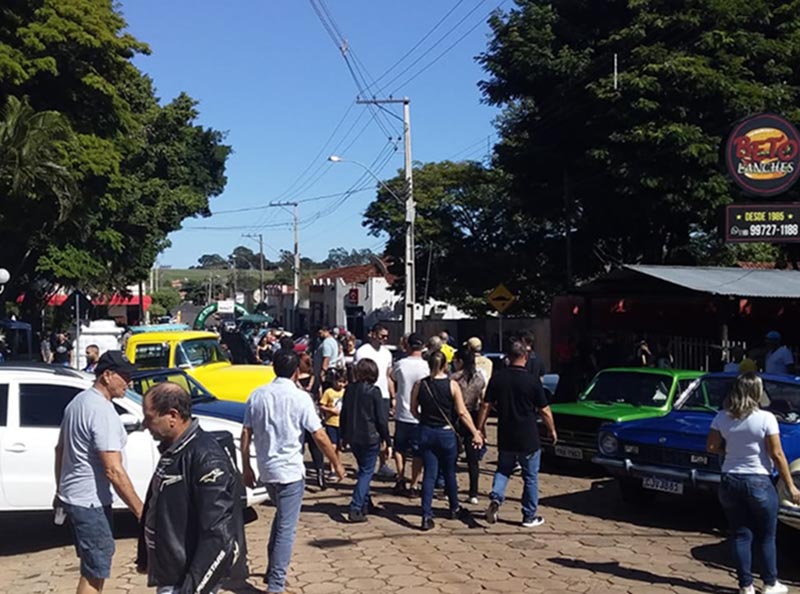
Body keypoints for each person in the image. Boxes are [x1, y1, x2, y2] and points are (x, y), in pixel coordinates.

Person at [241, 349, 344, 594]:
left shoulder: (257, 395)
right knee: (287, 528)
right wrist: (336, 462)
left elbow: (246, 433)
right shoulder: (300, 398)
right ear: (297, 371)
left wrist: (246, 466)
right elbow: (318, 434)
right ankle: (276, 584)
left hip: (267, 471)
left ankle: (271, 570)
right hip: (290, 473)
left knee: (282, 520)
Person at [137, 382, 245, 594]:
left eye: (150, 417)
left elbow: (219, 536)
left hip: (185, 580)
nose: (144, 424)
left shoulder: (206, 458)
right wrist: (146, 556)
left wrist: (193, 588)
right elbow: (159, 507)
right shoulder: (174, 451)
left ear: (173, 416)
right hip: (170, 573)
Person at [54, 351, 144, 594]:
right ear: (107, 375)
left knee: (91, 567)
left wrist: (59, 490)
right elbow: (113, 469)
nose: (129, 382)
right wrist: (140, 511)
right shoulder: (102, 411)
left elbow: (60, 450)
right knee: (96, 571)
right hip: (90, 502)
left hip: (75, 499)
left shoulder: (78, 403)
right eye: (125, 376)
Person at [706, 373, 800, 594]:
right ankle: (770, 583)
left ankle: (745, 586)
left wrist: (727, 450)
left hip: (730, 479)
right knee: (767, 536)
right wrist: (791, 485)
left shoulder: (721, 417)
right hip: (758, 480)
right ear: (757, 392)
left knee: (740, 534)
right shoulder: (766, 418)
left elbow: (710, 447)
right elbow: (777, 454)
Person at [477, 339, 557, 528]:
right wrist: (552, 429)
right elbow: (544, 409)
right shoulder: (531, 380)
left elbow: (485, 405)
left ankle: (496, 497)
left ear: (508, 357)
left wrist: (480, 428)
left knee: (504, 469)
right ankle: (529, 515)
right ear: (525, 356)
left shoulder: (498, 378)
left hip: (506, 433)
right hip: (528, 435)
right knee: (530, 476)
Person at [410, 351, 484, 531]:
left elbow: (413, 409)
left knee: (429, 474)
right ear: (445, 365)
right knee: (450, 472)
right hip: (445, 433)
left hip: (426, 432)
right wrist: (475, 431)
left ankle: (426, 515)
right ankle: (454, 507)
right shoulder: (452, 385)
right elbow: (461, 412)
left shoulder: (421, 384)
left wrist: (423, 420)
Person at [339, 359, 392, 523]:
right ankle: (355, 506)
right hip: (370, 437)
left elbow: (344, 414)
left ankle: (365, 503)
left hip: (354, 436)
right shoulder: (374, 391)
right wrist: (387, 440)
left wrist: (343, 435)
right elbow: (381, 419)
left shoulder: (350, 389)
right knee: (366, 472)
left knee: (363, 469)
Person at [355, 323, 396, 478]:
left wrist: (393, 396)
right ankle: (365, 463)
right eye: (381, 336)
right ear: (372, 334)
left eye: (386, 337)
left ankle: (383, 463)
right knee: (366, 429)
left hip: (383, 395)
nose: (384, 339)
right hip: (365, 394)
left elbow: (388, 376)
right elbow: (356, 374)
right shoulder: (362, 351)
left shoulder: (387, 353)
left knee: (383, 429)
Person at [390, 332, 428, 496]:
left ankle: (400, 477)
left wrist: (393, 396)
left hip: (402, 413)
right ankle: (414, 483)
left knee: (400, 448)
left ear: (407, 346)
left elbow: (391, 376)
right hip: (420, 414)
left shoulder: (400, 364)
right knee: (418, 452)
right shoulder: (426, 366)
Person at [451, 346, 487, 504]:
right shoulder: (480, 378)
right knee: (473, 460)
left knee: (451, 457)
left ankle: (449, 489)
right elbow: (482, 399)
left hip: (455, 416)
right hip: (473, 414)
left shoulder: (454, 378)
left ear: (460, 361)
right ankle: (474, 493)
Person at [296, 352, 325, 490]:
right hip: (314, 415)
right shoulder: (316, 379)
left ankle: (300, 475)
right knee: (316, 448)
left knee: (299, 447)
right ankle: (320, 474)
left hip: (298, 417)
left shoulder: (294, 381)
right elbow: (319, 395)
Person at [319, 369, 346, 478]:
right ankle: (332, 469)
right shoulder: (328, 392)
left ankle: (337, 464)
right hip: (331, 423)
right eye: (339, 381)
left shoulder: (345, 392)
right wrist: (330, 410)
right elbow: (321, 405)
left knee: (339, 447)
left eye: (343, 382)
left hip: (342, 423)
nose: (340, 384)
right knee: (332, 446)